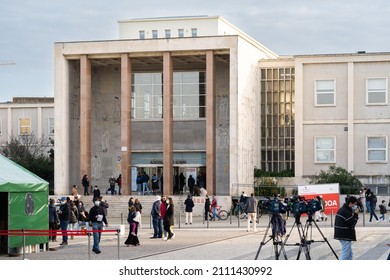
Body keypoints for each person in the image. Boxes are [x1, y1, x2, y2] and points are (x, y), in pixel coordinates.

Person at [334, 195, 359, 260]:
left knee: (349, 254)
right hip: (344, 235)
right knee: (345, 254)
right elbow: (352, 223)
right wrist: (356, 214)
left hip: (342, 234)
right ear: (350, 203)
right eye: (354, 204)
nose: (355, 206)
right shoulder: (346, 211)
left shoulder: (343, 209)